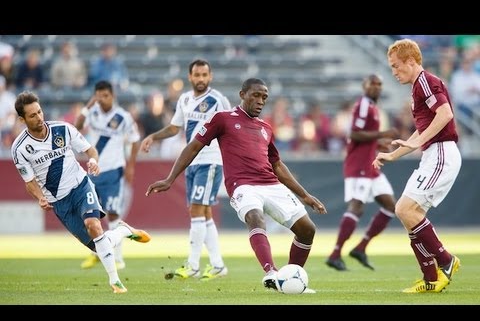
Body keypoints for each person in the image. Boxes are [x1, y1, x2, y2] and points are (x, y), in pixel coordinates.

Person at [145, 78, 327, 292]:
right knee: (255, 217)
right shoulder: (223, 119)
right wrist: (170, 178)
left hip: (270, 184)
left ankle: (289, 281)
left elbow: (277, 165)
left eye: (264, 97)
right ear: (242, 95)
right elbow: (193, 146)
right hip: (243, 185)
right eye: (256, 95)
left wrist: (305, 196)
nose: (261, 101)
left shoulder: (266, 128)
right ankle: (271, 272)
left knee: (307, 230)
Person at [11, 91, 150, 293]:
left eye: (40, 112)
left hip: (81, 185)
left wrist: (93, 161)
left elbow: (90, 150)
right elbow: (29, 181)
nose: (39, 118)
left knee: (93, 225)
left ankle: (115, 281)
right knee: (98, 246)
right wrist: (40, 197)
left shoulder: (63, 129)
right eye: (32, 115)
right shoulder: (20, 148)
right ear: (22, 119)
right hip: (58, 201)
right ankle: (123, 231)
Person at [373, 38, 461, 293]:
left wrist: (419, 141)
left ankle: (446, 261)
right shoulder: (417, 88)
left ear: (411, 62)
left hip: (442, 152)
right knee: (406, 213)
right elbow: (421, 131)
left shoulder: (426, 82)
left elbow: (445, 115)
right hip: (432, 153)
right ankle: (432, 279)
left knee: (407, 210)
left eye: (396, 66)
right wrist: (393, 154)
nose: (393, 71)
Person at [141, 59, 230, 280]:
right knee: (203, 212)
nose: (200, 79)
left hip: (210, 160)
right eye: (197, 75)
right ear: (190, 77)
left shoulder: (218, 100)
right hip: (191, 161)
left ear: (210, 77)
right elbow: (174, 127)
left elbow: (232, 127)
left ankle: (192, 265)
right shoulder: (185, 99)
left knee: (198, 211)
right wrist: (153, 136)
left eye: (204, 75)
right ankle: (217, 265)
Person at [326, 74, 399, 271]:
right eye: (372, 84)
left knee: (392, 206)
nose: (376, 87)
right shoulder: (363, 105)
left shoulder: (373, 107)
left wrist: (378, 143)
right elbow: (354, 134)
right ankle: (335, 254)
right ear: (364, 86)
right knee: (356, 206)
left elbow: (364, 137)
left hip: (370, 164)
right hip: (358, 164)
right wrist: (383, 134)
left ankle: (360, 248)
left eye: (379, 84)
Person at [75, 80, 141, 270]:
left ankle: (118, 258)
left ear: (113, 96)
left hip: (113, 171)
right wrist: (88, 105)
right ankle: (96, 252)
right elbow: (77, 126)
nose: (102, 100)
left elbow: (135, 141)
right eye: (99, 96)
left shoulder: (123, 117)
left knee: (112, 213)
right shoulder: (93, 113)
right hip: (94, 170)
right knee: (90, 214)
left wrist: (130, 166)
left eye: (106, 96)